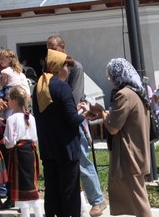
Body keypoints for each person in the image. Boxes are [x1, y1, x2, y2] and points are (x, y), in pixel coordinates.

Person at [46, 36, 104, 217]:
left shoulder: (75, 67)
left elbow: (74, 95)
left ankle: (97, 200)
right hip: (60, 123)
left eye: (54, 48)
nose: (51, 52)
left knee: (82, 160)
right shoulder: (49, 71)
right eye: (48, 49)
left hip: (75, 119)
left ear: (63, 47)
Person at [100, 59, 152, 217]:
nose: (110, 81)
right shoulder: (137, 92)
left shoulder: (124, 95)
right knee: (137, 196)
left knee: (139, 200)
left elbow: (114, 128)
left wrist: (102, 113)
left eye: (111, 77)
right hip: (138, 151)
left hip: (130, 155)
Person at [34, 49, 83, 217]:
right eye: (65, 66)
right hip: (66, 148)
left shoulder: (39, 87)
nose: (67, 70)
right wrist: (85, 115)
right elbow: (71, 119)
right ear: (57, 67)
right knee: (69, 192)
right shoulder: (62, 87)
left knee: (52, 191)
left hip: (48, 148)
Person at [3, 86, 42, 217]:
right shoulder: (31, 117)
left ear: (14, 101)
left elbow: (10, 142)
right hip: (31, 152)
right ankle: (38, 214)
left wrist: (5, 141)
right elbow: (35, 138)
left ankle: (25, 214)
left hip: (18, 154)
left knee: (21, 186)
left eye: (8, 99)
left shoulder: (11, 119)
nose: (7, 102)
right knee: (31, 183)